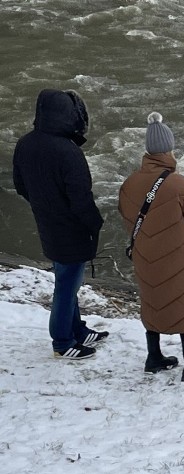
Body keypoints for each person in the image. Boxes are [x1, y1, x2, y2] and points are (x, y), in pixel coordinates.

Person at [118, 112, 184, 382]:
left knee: (153, 302)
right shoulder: (178, 184)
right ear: (170, 148)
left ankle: (154, 357)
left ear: (148, 150)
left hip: (145, 255)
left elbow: (128, 219)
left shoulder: (129, 183)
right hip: (180, 256)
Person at [12, 89, 108, 360]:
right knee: (66, 286)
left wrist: (45, 204)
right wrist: (94, 223)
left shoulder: (25, 143)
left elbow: (20, 186)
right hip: (71, 228)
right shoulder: (68, 151)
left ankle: (77, 329)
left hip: (46, 222)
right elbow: (81, 198)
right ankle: (62, 342)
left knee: (68, 280)